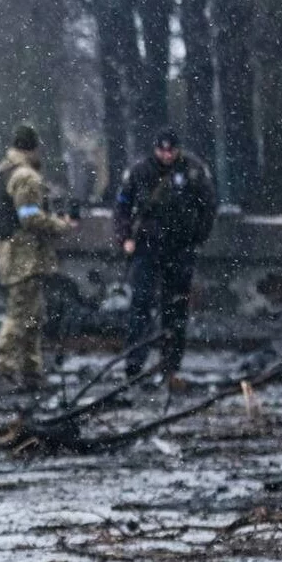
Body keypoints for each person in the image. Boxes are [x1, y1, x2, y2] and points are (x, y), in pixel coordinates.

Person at [113, 129, 217, 385]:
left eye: (171, 150)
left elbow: (209, 206)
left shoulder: (193, 171)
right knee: (141, 304)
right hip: (147, 246)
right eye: (162, 150)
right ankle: (135, 365)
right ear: (155, 149)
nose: (167, 155)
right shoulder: (140, 171)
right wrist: (125, 237)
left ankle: (170, 366)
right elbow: (122, 206)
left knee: (176, 309)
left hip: (180, 247)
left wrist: (196, 239)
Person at [0, 124, 72, 391]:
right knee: (20, 313)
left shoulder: (6, 169)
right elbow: (29, 217)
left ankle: (30, 371)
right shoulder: (26, 176)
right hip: (23, 255)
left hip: (13, 253)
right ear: (33, 147)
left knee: (33, 315)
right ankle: (4, 368)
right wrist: (59, 225)